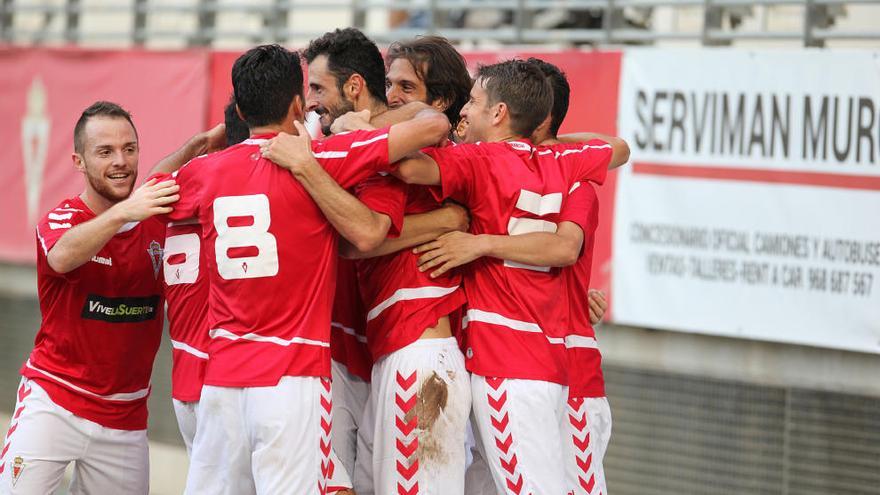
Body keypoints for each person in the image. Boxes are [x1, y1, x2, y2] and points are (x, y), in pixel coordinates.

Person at [158, 44, 449, 495]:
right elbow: (433, 124)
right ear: (297, 105)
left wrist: (199, 145)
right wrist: (361, 123)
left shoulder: (204, 173)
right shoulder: (326, 159)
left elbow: (149, 191)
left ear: (238, 107)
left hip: (222, 380)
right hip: (291, 378)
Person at [391, 59, 625, 495]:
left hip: (507, 361)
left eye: (474, 103)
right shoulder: (566, 165)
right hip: (546, 360)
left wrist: (480, 242)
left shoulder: (481, 160)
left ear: (500, 113)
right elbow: (620, 148)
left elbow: (405, 166)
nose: (464, 110)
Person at [0, 101, 221, 494]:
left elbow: (161, 174)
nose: (121, 162)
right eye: (105, 152)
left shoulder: (151, 213)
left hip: (125, 419)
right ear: (79, 161)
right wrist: (123, 214)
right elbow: (62, 255)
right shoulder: (62, 219)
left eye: (129, 149)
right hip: (54, 404)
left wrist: (198, 143)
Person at [292, 29, 472, 495]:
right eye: (389, 83)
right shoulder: (396, 144)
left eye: (404, 86)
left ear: (446, 98)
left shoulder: (416, 146)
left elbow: (363, 238)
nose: (392, 95)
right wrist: (445, 221)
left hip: (421, 350)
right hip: (399, 349)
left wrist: (365, 129)